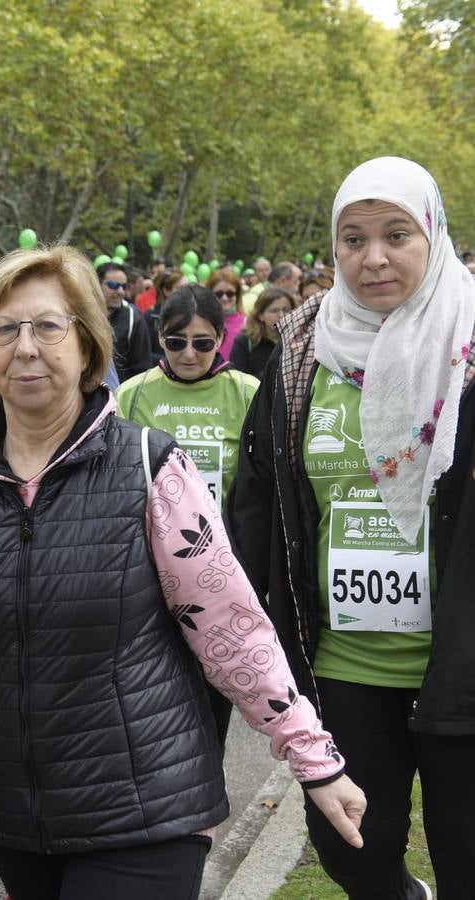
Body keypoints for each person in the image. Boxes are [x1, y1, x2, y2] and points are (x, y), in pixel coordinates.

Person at [0, 243, 367, 899]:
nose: (26, 347)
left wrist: (312, 758)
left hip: (147, 810)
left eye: (48, 326)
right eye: (5, 328)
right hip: (15, 818)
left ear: (88, 345)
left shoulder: (149, 468)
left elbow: (231, 628)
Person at [228, 157, 475, 899]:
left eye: (396, 234)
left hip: (461, 661)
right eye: (353, 238)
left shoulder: (469, 343)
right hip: (345, 660)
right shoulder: (303, 349)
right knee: (352, 852)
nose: (373, 258)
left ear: (432, 235)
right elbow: (261, 495)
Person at [115, 285, 260, 743]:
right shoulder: (133, 394)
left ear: (221, 338)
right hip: (148, 571)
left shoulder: (247, 392)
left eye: (202, 343)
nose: (190, 354)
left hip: (218, 568)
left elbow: (261, 490)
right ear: (161, 338)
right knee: (153, 699)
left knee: (210, 699)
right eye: (177, 342)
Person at [98, 261, 153, 383]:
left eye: (124, 286)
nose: (120, 291)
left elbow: (142, 369)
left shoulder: (134, 318)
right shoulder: (82, 315)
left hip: (119, 397)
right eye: (113, 285)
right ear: (96, 285)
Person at [230, 286, 297, 379]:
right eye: (274, 311)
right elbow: (238, 380)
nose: (282, 315)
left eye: (286, 310)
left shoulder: (299, 339)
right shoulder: (245, 342)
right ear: (261, 315)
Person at [205, 266, 246, 360]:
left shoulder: (246, 323)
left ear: (237, 295)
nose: (224, 298)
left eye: (230, 294)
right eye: (218, 294)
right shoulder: (200, 321)